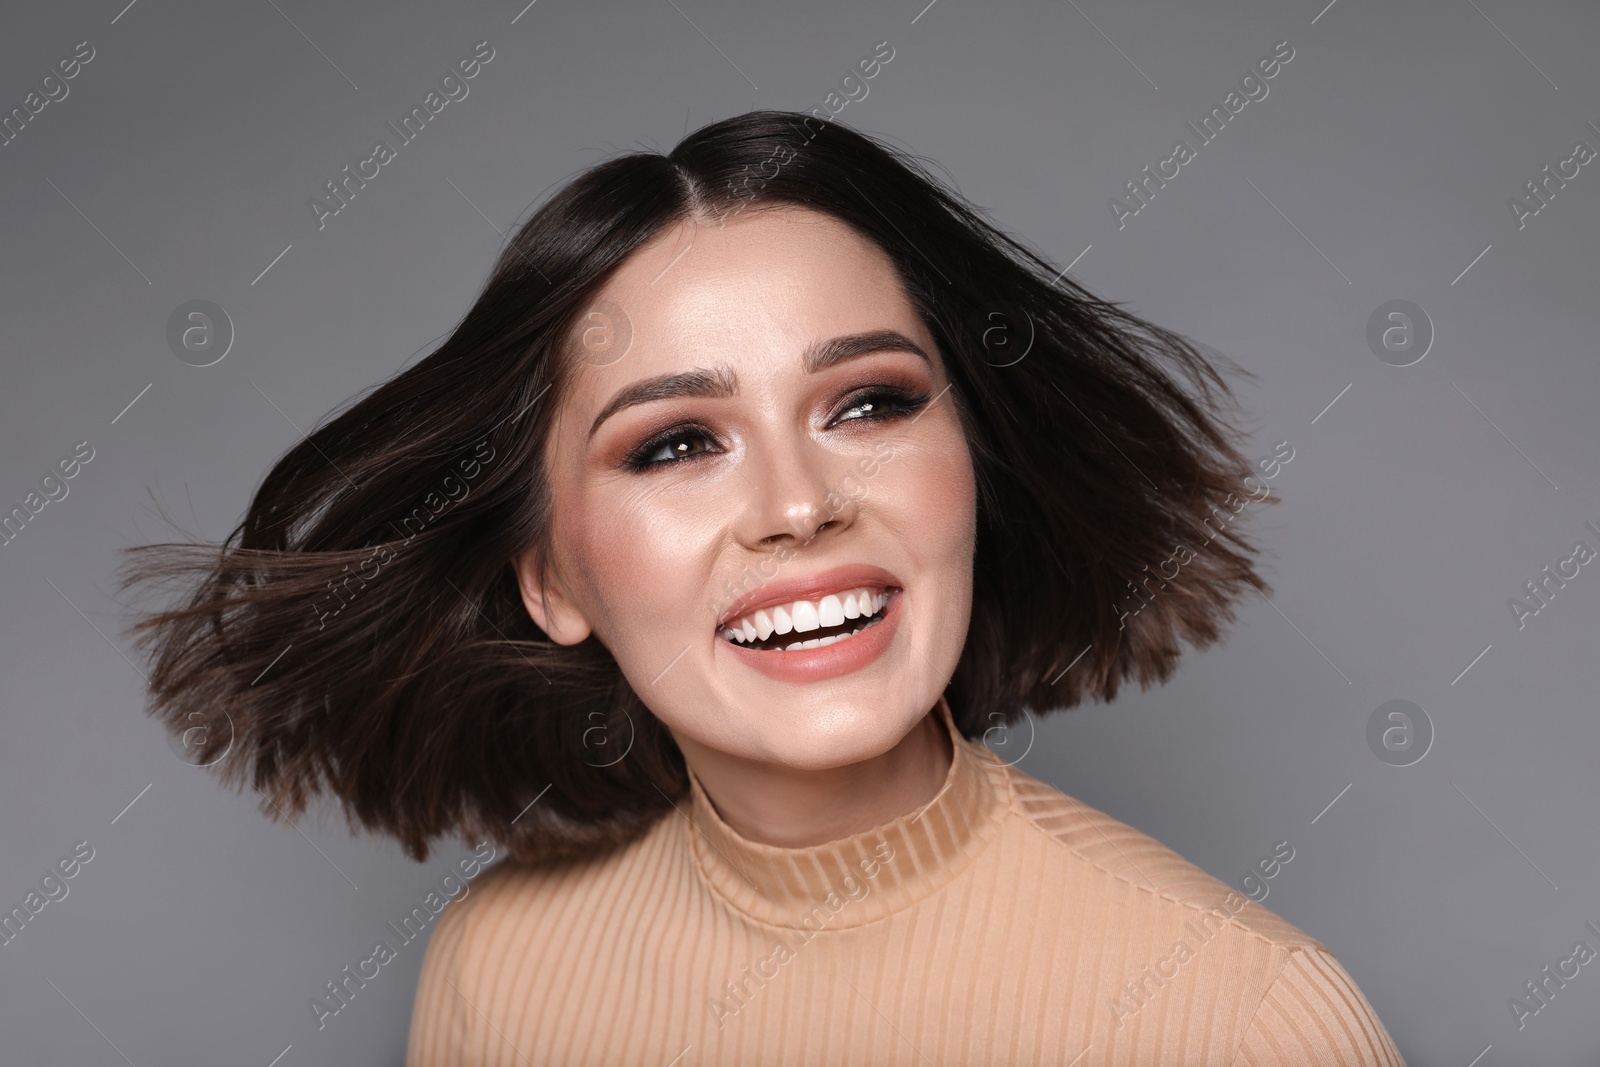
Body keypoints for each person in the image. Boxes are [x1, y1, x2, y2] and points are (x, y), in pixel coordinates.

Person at [121, 110, 1404, 1065]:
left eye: (869, 403)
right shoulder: (499, 970)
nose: (798, 505)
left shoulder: (1239, 1012)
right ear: (551, 578)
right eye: (676, 442)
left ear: (974, 470)